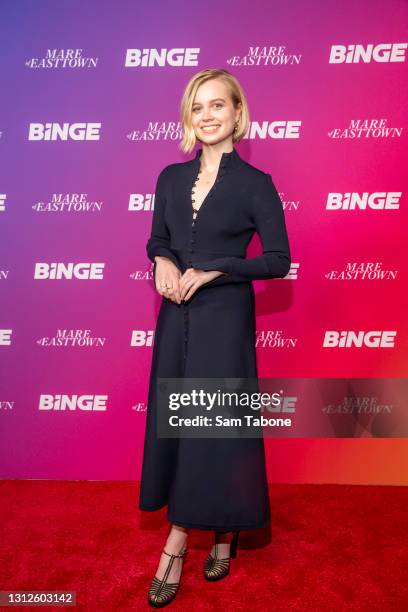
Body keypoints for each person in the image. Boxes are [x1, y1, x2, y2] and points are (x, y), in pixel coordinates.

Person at [139, 68, 291, 607]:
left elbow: (278, 260)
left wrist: (218, 269)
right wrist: (160, 258)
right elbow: (159, 236)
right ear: (189, 116)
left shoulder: (257, 185)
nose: (206, 116)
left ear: (236, 114)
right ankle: (221, 534)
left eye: (217, 106)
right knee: (183, 427)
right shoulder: (169, 177)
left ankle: (180, 541)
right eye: (197, 107)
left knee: (216, 430)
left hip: (223, 320)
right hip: (174, 318)